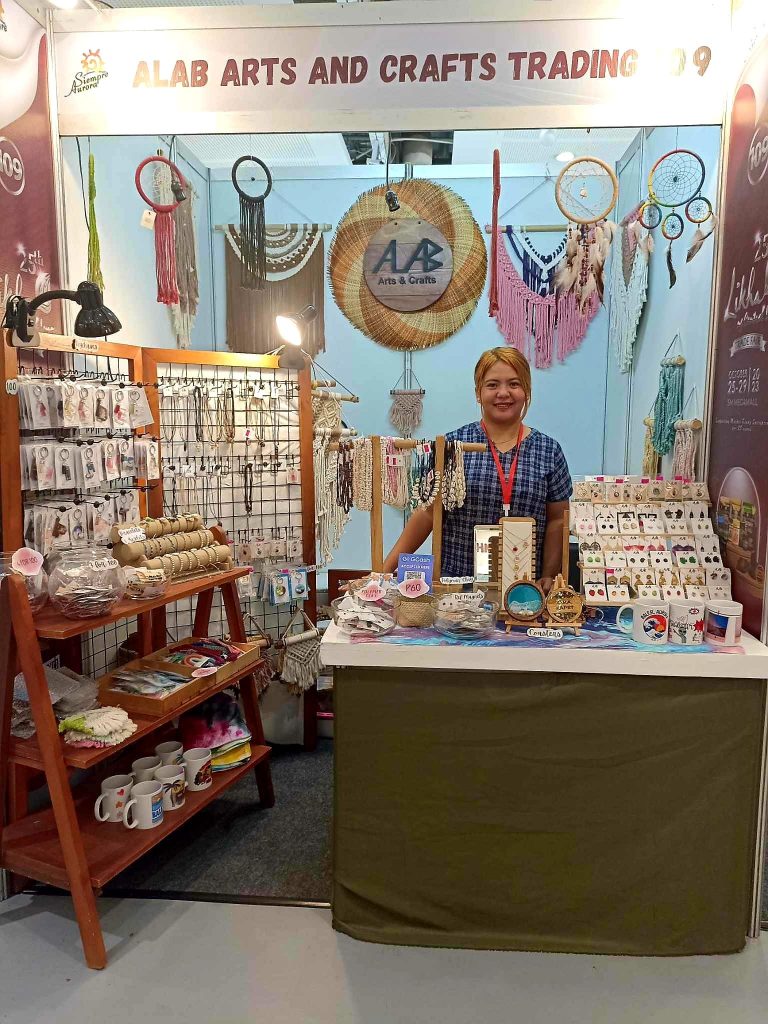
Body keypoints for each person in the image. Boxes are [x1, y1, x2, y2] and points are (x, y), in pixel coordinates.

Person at [383, 346, 572, 592]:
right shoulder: (453, 446)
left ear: (526, 390)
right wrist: (383, 571)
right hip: (457, 589)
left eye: (514, 384)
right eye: (492, 385)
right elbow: (428, 514)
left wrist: (549, 574)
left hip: (524, 590)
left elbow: (558, 519)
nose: (503, 393)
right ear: (478, 392)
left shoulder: (549, 450)